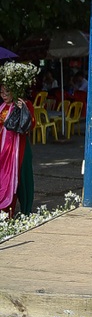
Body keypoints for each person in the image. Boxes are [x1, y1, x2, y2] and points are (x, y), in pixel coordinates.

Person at [0, 80, 35, 216]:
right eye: (1, 92)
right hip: (3, 149)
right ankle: (6, 210)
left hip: (19, 149)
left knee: (22, 178)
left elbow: (31, 124)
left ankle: (26, 208)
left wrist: (23, 109)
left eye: (7, 92)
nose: (3, 95)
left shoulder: (24, 104)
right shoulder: (2, 107)